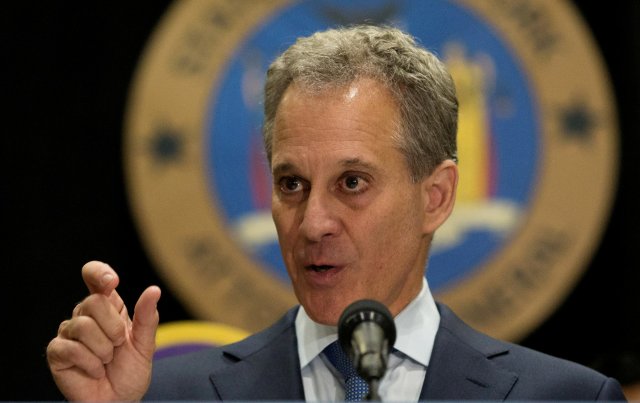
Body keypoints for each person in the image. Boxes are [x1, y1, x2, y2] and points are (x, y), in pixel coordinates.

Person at [46, 24, 627, 401]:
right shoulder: (162, 397)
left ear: (437, 197)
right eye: (292, 184)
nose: (313, 223)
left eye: (352, 183)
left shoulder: (566, 398)